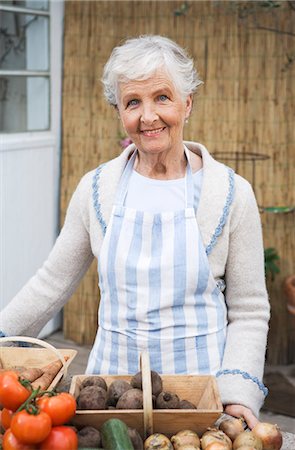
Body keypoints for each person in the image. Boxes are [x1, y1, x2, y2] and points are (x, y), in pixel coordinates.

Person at [0, 35, 270, 428]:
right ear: (119, 112)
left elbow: (249, 310)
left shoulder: (230, 193)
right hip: (107, 400)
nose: (148, 117)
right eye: (133, 102)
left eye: (163, 97)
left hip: (197, 403)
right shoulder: (97, 189)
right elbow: (50, 283)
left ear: (187, 103)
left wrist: (237, 394)